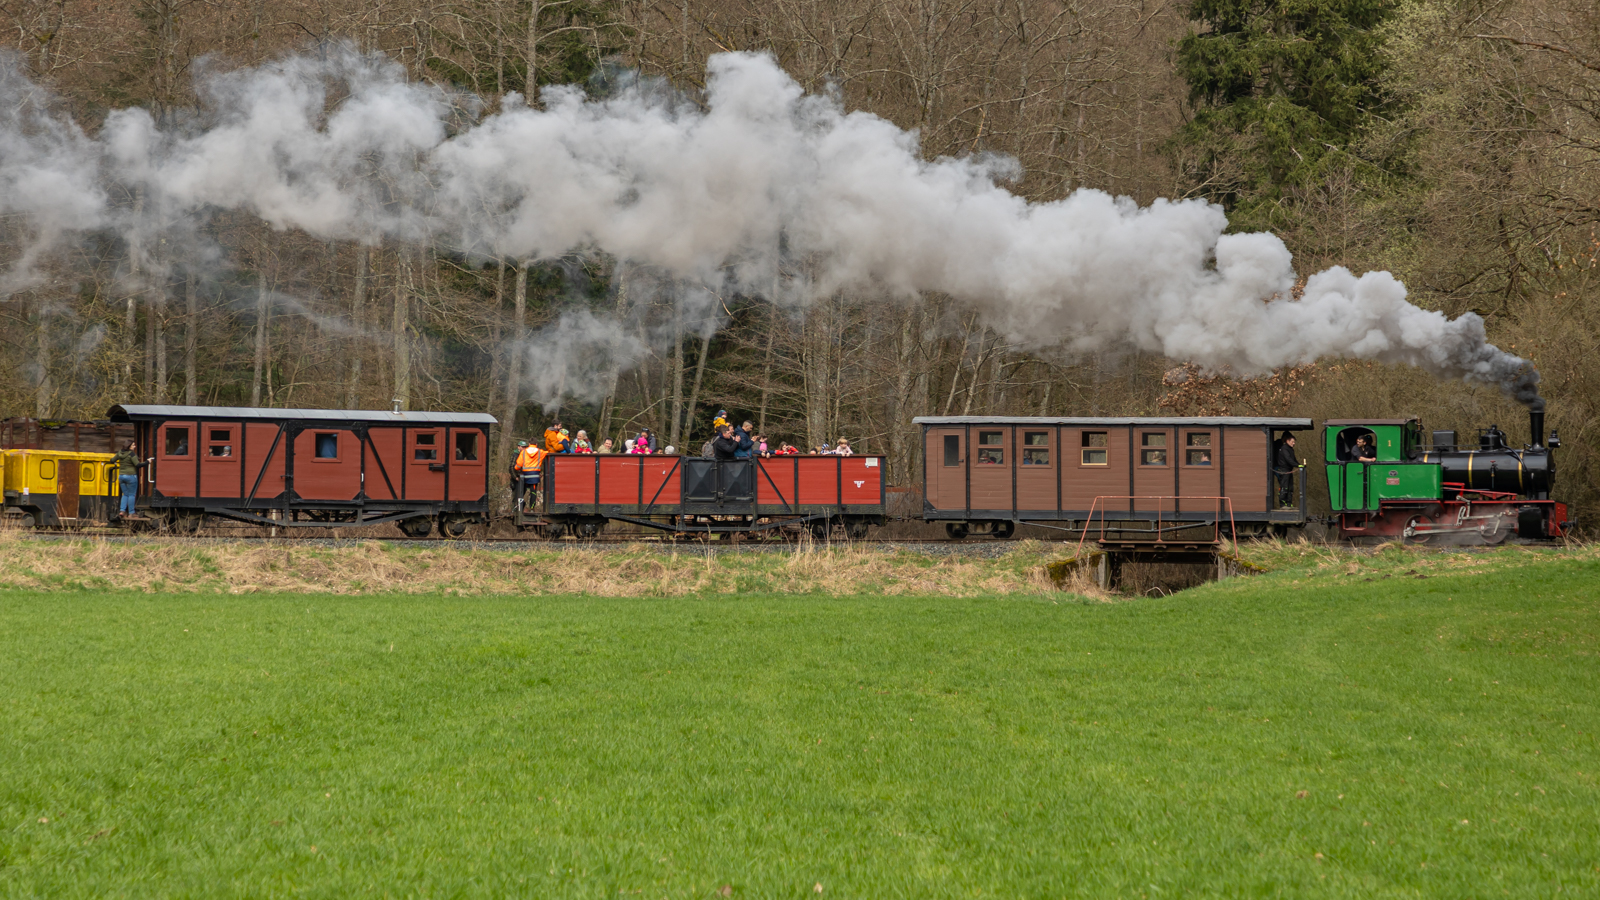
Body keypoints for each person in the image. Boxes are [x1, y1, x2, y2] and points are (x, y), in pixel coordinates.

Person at [110, 440, 147, 519]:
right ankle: (131, 513)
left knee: (125, 494)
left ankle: (122, 511)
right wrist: (148, 462)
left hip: (121, 476)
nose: (135, 446)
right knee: (131, 495)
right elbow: (138, 464)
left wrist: (117, 464)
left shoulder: (120, 452)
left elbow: (112, 460)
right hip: (130, 476)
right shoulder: (131, 454)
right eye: (133, 445)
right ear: (129, 446)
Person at [1274, 433, 1300, 507]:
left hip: (1289, 470)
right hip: (1284, 470)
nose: (1294, 443)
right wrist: (1297, 465)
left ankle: (1289, 503)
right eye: (1292, 442)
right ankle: (1283, 503)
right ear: (1287, 441)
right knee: (1284, 487)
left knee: (1290, 487)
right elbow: (1288, 459)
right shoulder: (1284, 448)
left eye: (1294, 442)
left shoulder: (1290, 449)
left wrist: (1300, 464)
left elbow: (1293, 459)